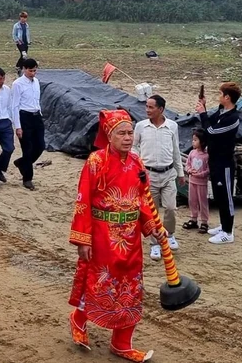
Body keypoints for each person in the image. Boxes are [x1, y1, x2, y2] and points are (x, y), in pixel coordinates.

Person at [68, 109, 166, 361]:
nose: (127, 138)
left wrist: (152, 225)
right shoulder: (96, 161)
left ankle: (122, 343)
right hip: (102, 234)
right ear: (109, 136)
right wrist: (83, 239)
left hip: (131, 238)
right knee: (97, 283)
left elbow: (144, 199)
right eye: (121, 133)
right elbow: (83, 201)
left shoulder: (136, 163)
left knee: (130, 289)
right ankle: (79, 320)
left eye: (130, 132)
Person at [132, 94, 184, 260]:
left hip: (169, 174)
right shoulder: (140, 127)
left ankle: (169, 235)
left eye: (151, 107)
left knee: (170, 207)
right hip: (149, 175)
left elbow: (176, 151)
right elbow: (134, 147)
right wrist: (137, 166)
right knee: (151, 211)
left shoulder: (172, 126)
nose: (147, 110)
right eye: (146, 107)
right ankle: (155, 243)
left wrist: (180, 173)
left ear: (161, 109)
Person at [196, 81, 241, 245]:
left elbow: (212, 131)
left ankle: (228, 232)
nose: (218, 96)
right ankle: (223, 225)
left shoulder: (233, 118)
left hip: (225, 163)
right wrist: (204, 109)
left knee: (226, 196)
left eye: (220, 94)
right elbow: (208, 122)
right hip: (214, 161)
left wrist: (201, 113)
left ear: (227, 97)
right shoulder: (222, 112)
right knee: (218, 194)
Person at [11, 58, 44, 190]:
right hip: (24, 117)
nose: (33, 73)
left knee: (40, 145)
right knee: (27, 148)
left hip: (36, 115)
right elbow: (15, 106)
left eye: (35, 70)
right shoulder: (17, 84)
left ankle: (22, 163)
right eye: (30, 71)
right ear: (24, 69)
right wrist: (18, 126)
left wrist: (40, 114)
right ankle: (27, 178)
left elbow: (37, 100)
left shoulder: (36, 82)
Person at [183, 129, 210, 234]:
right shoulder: (192, 153)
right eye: (193, 140)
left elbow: (208, 169)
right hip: (192, 181)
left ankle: (204, 222)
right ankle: (193, 219)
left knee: (202, 202)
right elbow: (188, 165)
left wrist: (201, 174)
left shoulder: (206, 155)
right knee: (192, 201)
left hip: (202, 183)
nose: (193, 142)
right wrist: (189, 171)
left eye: (195, 140)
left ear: (202, 141)